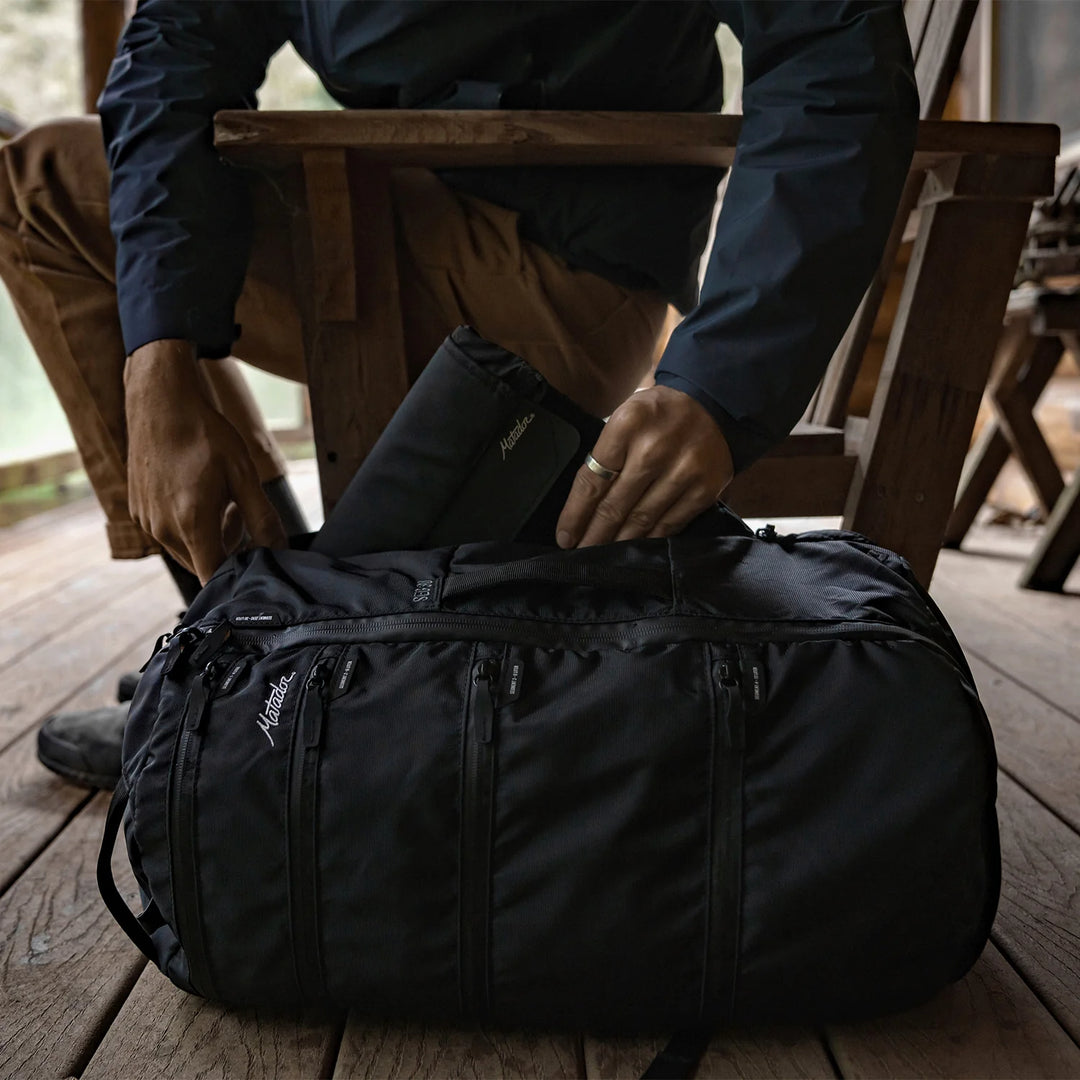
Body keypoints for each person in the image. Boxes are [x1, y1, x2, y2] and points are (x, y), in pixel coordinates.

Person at [0, 0, 918, 789]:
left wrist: (726, 379)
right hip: (394, 209)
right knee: (36, 174)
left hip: (561, 270)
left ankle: (278, 665)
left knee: (38, 185)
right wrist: (156, 360)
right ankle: (264, 646)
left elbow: (829, 52)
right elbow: (175, 47)